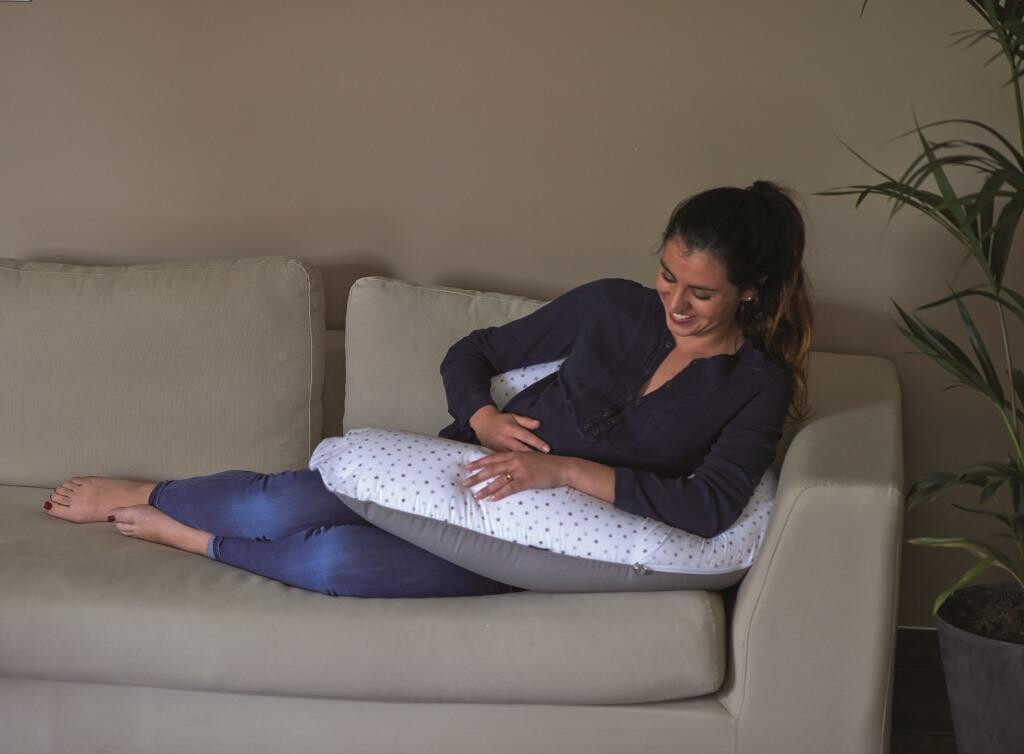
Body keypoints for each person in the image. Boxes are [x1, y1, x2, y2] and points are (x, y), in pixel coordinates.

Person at [39, 181, 812, 598]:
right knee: (280, 504)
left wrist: (565, 471)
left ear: (750, 291)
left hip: (545, 547)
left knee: (337, 565)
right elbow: (473, 353)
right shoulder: (613, 306)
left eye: (701, 294)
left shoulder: (758, 385)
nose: (675, 303)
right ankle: (151, 492)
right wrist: (482, 416)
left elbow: (711, 506)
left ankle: (193, 538)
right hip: (455, 479)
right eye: (668, 276)